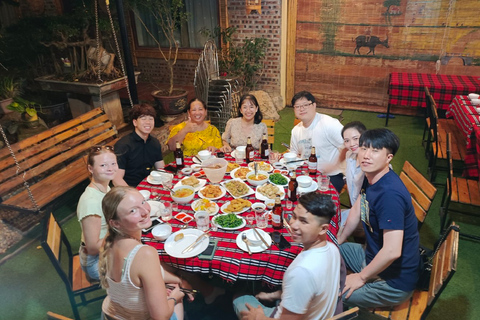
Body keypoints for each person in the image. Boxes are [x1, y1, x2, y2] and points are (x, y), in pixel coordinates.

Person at [338, 128, 420, 308]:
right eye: (364, 148)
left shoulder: (390, 195)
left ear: (388, 158)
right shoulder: (371, 176)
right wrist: (339, 240)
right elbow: (356, 211)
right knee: (328, 249)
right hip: (371, 257)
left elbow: (392, 251)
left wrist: (361, 277)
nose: (366, 155)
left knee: (332, 295)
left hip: (393, 282)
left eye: (375, 150)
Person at [233, 192, 341, 320]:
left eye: (303, 221)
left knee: (238, 297)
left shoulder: (302, 272)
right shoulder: (332, 248)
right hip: (317, 310)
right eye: (294, 217)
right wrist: (272, 295)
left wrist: (259, 318)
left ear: (323, 229)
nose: (293, 225)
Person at [99, 186, 186, 320]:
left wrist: (179, 280)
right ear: (115, 223)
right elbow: (160, 316)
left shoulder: (108, 241)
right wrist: (176, 296)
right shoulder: (145, 253)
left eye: (143, 202)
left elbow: (142, 272)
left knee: (175, 282)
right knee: (177, 297)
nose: (145, 212)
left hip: (112, 314)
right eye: (133, 211)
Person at [289, 91, 346, 193]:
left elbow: (348, 146)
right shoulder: (296, 130)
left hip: (330, 176)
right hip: (305, 174)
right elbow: (293, 153)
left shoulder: (329, 124)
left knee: (317, 204)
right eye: (297, 106)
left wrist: (334, 165)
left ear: (314, 105)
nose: (301, 109)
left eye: (305, 105)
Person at [77, 145, 118, 281]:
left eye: (113, 163)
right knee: (141, 266)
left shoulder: (105, 187)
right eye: (103, 165)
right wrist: (118, 227)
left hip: (108, 248)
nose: (111, 168)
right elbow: (93, 248)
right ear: (90, 168)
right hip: (96, 261)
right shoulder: (90, 202)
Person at [113, 103, 164, 187]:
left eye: (151, 119)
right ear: (135, 122)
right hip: (129, 188)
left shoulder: (154, 143)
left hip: (150, 185)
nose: (148, 122)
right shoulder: (123, 145)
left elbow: (161, 169)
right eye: (143, 119)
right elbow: (116, 179)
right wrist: (133, 194)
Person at [340, 121, 367, 227]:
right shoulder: (349, 155)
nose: (351, 144)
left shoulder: (372, 163)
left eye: (356, 138)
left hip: (367, 218)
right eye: (347, 140)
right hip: (354, 209)